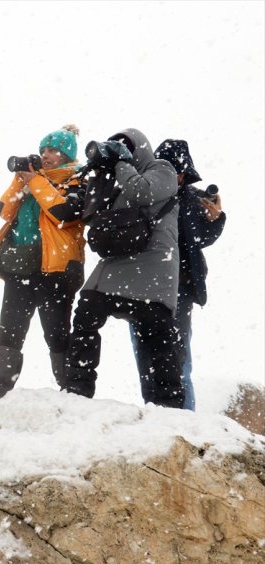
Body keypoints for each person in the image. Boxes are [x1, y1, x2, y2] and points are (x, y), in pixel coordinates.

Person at [61, 128, 184, 408]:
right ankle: (76, 390)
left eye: (126, 147)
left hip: (153, 269)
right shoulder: (118, 177)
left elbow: (142, 191)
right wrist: (101, 174)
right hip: (116, 266)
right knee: (86, 313)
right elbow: (92, 216)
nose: (120, 151)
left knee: (159, 341)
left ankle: (169, 405)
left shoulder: (161, 169)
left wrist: (121, 163)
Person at [0, 125, 86, 419]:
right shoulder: (34, 182)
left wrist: (35, 180)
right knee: (9, 333)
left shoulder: (77, 179)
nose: (46, 155)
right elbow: (4, 210)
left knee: (57, 334)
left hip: (57, 272)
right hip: (21, 268)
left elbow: (65, 214)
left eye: (53, 150)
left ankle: (72, 395)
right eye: (44, 149)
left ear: (67, 155)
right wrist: (19, 179)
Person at [129, 139, 226, 411]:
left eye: (179, 171)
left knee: (178, 359)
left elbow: (199, 238)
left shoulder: (192, 198)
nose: (176, 176)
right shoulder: (144, 193)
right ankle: (157, 418)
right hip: (143, 287)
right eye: (170, 169)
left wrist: (215, 219)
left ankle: (186, 420)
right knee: (146, 359)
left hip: (178, 289)